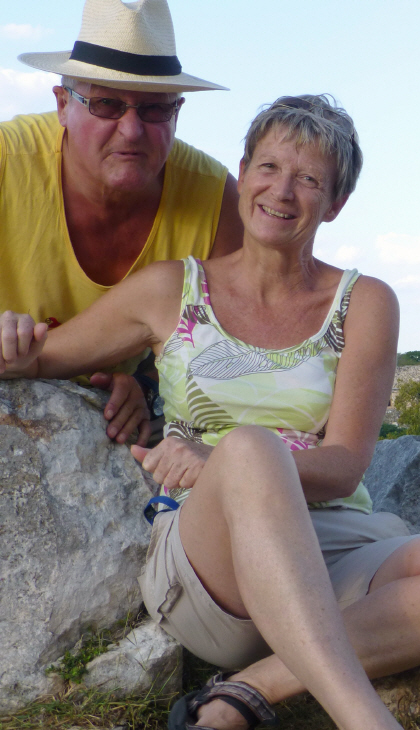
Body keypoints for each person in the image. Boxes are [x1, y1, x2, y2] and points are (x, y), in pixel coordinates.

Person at [0, 94, 420, 730]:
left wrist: (225, 459)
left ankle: (244, 693)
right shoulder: (170, 290)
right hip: (210, 560)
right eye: (270, 167)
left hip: (332, 542)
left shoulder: (364, 302)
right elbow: (39, 358)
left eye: (309, 179)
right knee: (251, 450)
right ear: (242, 173)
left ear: (335, 203)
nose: (283, 191)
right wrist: (15, 340)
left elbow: (345, 465)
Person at [1, 0, 242, 446]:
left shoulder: (218, 202)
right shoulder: (5, 161)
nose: (131, 130)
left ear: (177, 112)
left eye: (154, 109)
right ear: (62, 105)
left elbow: (230, 342)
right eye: (107, 104)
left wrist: (149, 387)